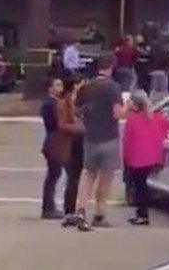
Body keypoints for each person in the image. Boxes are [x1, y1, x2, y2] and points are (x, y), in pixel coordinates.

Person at [73, 54, 125, 231]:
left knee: (89, 175)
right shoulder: (113, 87)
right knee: (106, 178)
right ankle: (99, 213)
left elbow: (77, 111)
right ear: (111, 67)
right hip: (109, 137)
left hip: (91, 137)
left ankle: (80, 209)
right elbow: (117, 114)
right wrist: (129, 109)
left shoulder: (86, 87)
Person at [122, 90, 169, 225]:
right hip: (152, 156)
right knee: (143, 185)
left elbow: (127, 141)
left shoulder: (133, 119)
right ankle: (142, 213)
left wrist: (125, 159)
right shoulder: (156, 116)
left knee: (140, 186)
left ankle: (142, 214)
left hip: (137, 158)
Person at [40, 78, 84, 219]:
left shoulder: (58, 103)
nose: (60, 87)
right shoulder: (50, 104)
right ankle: (48, 207)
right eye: (57, 85)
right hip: (55, 143)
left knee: (55, 174)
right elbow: (57, 124)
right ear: (50, 88)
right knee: (54, 175)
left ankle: (50, 206)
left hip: (57, 142)